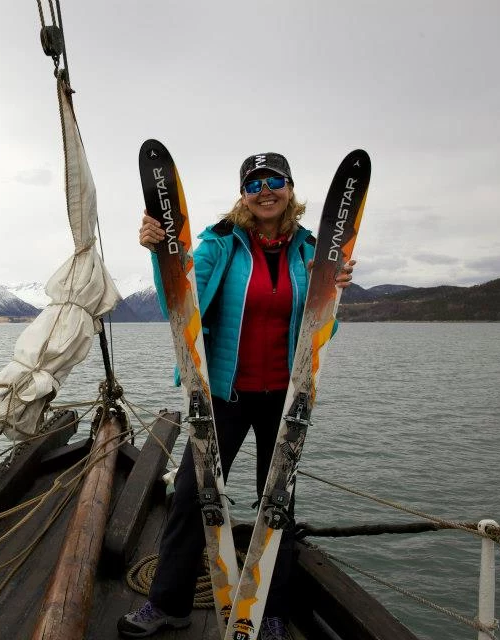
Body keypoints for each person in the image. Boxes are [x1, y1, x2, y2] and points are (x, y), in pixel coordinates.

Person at [118, 152, 355, 640]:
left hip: (285, 399)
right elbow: (180, 301)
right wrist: (159, 254)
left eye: (275, 180)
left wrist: (334, 289)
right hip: (224, 395)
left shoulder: (312, 250)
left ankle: (269, 611)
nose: (265, 189)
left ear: (290, 188)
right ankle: (168, 604)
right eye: (255, 182)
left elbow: (320, 328)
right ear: (243, 193)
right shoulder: (219, 243)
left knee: (276, 505)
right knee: (189, 495)